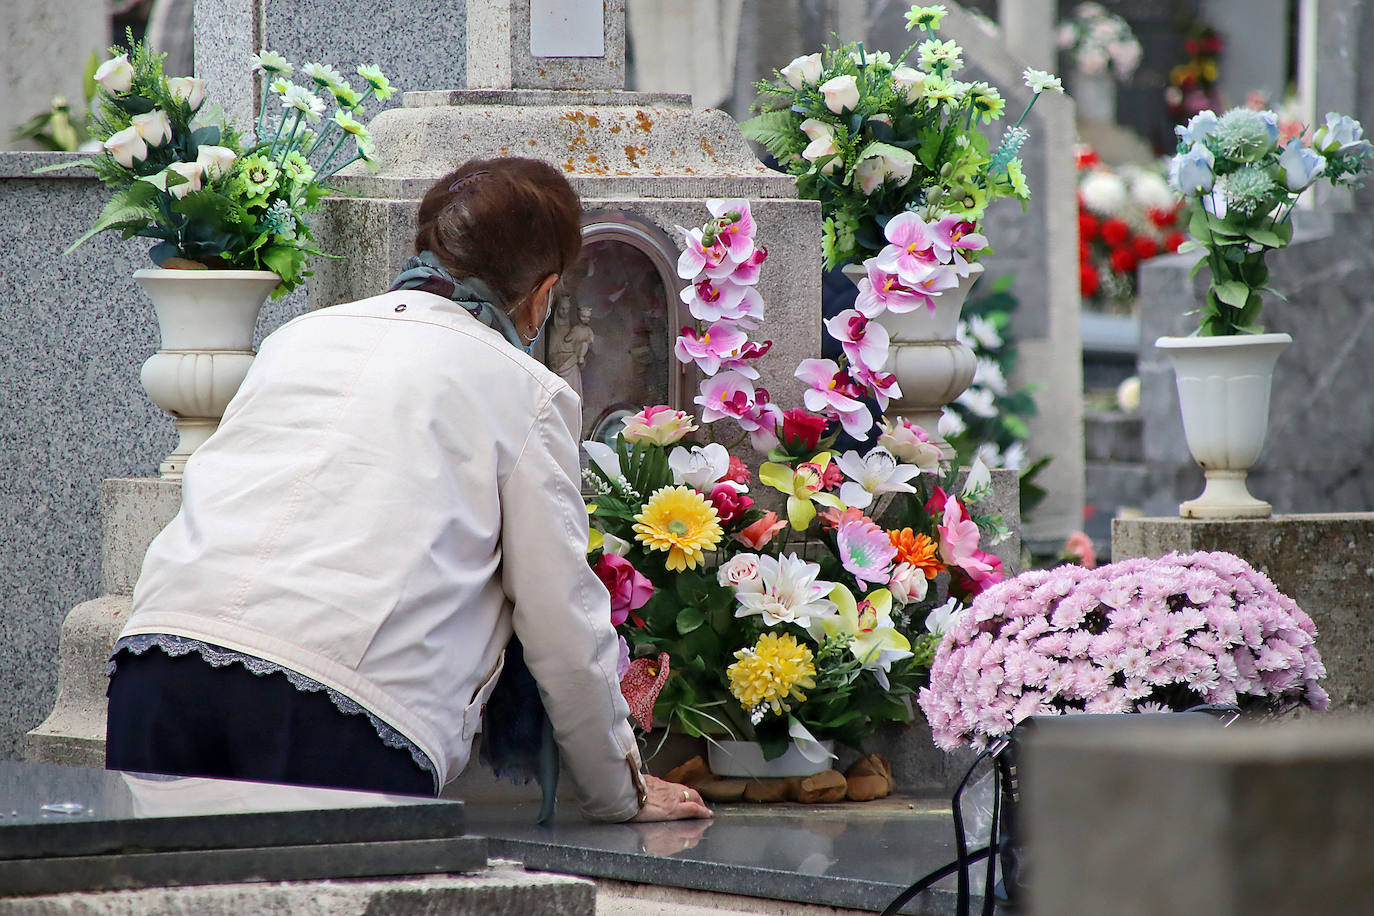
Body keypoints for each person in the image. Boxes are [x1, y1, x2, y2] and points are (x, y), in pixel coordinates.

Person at [105, 157, 711, 823]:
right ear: (542, 296)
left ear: (422, 250)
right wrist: (619, 791)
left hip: (158, 665)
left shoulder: (297, 338)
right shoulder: (522, 389)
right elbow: (563, 624)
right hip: (334, 702)